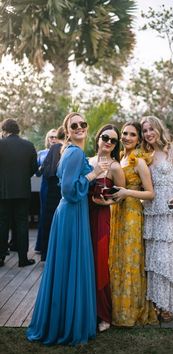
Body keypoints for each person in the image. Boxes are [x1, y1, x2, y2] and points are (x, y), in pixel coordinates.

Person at [26, 112, 108, 345]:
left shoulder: (72, 152)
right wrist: (94, 173)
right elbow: (70, 191)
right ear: (68, 130)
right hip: (71, 213)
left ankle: (66, 320)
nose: (80, 127)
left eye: (83, 124)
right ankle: (66, 324)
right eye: (75, 125)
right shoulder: (74, 152)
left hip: (73, 213)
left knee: (68, 267)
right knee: (70, 266)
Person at [109, 121, 158, 326]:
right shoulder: (120, 158)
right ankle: (116, 308)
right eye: (124, 134)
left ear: (138, 138)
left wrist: (127, 192)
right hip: (117, 213)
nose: (127, 137)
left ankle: (130, 311)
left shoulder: (139, 161)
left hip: (131, 215)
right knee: (118, 258)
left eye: (132, 134)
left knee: (130, 260)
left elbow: (150, 194)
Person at [141, 116, 173, 322]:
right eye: (145, 130)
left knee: (167, 258)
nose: (148, 133)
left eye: (151, 129)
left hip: (170, 211)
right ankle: (156, 304)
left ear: (159, 129)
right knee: (154, 259)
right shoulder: (145, 154)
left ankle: (168, 305)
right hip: (152, 211)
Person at [89, 124, 125, 332]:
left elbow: (120, 196)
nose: (109, 142)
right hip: (83, 217)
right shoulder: (88, 162)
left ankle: (104, 315)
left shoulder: (115, 167)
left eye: (113, 140)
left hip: (102, 218)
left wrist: (107, 203)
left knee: (100, 264)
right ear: (98, 138)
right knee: (87, 263)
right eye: (105, 137)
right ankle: (87, 310)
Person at [0, 119, 38, 267]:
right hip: (23, 191)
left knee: (2, 224)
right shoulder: (29, 146)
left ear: (4, 130)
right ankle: (23, 259)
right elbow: (34, 168)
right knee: (22, 225)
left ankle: (1, 257)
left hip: (3, 192)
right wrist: (22, 178)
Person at [40, 126, 65, 261]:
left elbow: (44, 168)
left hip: (50, 189)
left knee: (48, 221)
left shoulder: (53, 149)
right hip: (59, 190)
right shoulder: (64, 149)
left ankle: (46, 254)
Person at [34, 129, 58, 253]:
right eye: (51, 137)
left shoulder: (62, 151)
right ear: (48, 139)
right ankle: (40, 245)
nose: (53, 139)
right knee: (43, 214)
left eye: (55, 137)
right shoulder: (41, 153)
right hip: (45, 186)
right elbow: (37, 173)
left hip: (57, 188)